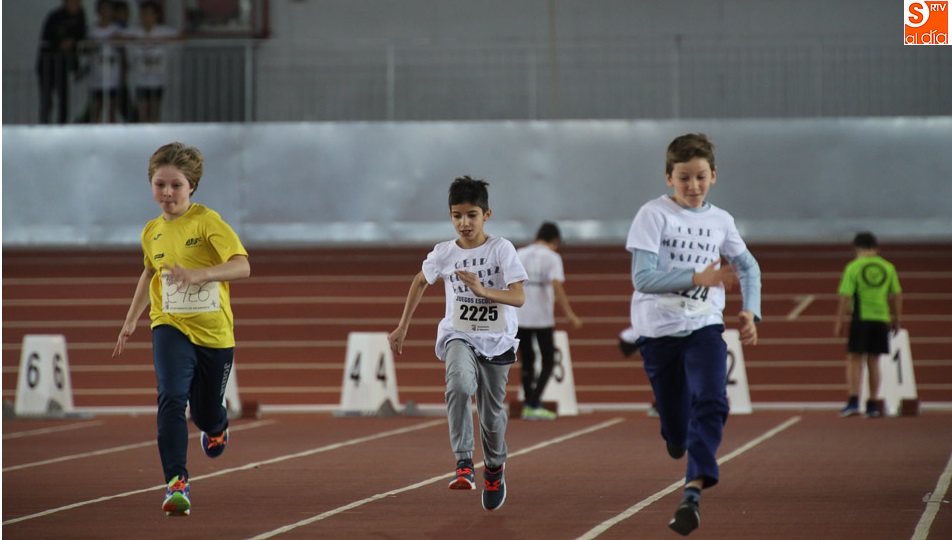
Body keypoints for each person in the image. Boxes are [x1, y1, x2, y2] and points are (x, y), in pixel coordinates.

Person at [626, 133, 761, 536]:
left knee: (713, 399)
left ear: (714, 176)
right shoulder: (653, 215)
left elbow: (748, 267)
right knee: (675, 425)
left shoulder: (721, 221)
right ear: (669, 178)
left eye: (701, 177)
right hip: (658, 330)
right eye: (684, 178)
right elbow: (643, 278)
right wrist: (697, 275)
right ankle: (675, 435)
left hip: (704, 324)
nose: (693, 186)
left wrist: (751, 311)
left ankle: (693, 490)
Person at [112, 142, 251, 516]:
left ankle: (216, 424)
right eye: (160, 185)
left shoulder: (208, 222)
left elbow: (242, 266)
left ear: (191, 187)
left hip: (214, 334)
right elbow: (149, 272)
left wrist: (199, 275)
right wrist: (131, 319)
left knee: (204, 413)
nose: (167, 194)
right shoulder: (151, 232)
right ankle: (177, 483)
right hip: (169, 326)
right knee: (171, 397)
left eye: (176, 185)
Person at [389, 176, 527, 512]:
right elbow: (420, 281)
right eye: (456, 216)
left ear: (487, 215)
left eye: (471, 215)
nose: (464, 223)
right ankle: (464, 462)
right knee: (459, 384)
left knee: (492, 418)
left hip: (497, 342)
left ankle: (494, 469)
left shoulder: (501, 249)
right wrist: (402, 325)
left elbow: (519, 297)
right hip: (458, 334)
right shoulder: (443, 253)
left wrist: (483, 291)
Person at [515, 221, 582, 421]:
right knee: (549, 361)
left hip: (521, 313)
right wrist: (569, 314)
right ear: (555, 240)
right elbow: (556, 285)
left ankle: (529, 402)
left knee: (527, 361)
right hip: (542, 317)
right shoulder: (553, 257)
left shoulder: (520, 253)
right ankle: (533, 402)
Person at [833, 232, 902, 418]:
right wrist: (896, 318)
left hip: (861, 318)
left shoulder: (853, 267)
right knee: (874, 360)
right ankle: (872, 403)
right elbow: (896, 294)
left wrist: (840, 321)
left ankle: (854, 400)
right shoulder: (888, 267)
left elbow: (845, 296)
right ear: (876, 248)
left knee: (855, 359)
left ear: (857, 249)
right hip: (881, 319)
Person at [125, 0, 180, 122]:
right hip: (140, 80)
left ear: (156, 16)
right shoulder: (135, 30)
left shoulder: (162, 30)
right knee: (143, 112)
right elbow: (117, 36)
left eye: (150, 14)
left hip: (157, 79)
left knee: (155, 110)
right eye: (144, 14)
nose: (147, 17)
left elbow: (182, 36)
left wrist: (162, 39)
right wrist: (136, 39)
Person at [36, 0, 88, 124]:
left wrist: (76, 66)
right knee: (47, 99)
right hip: (48, 65)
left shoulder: (80, 16)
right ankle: (44, 126)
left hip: (64, 65)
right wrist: (61, 44)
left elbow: (80, 38)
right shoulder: (54, 17)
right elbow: (47, 41)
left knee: (64, 99)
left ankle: (62, 126)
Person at [84, 0, 123, 122]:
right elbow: (85, 50)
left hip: (112, 76)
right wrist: (93, 45)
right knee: (96, 108)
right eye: (103, 8)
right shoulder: (92, 30)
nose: (106, 12)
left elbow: (123, 52)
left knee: (111, 108)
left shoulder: (117, 29)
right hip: (97, 77)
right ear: (98, 11)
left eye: (109, 9)